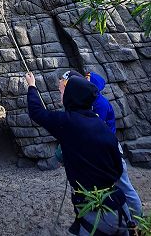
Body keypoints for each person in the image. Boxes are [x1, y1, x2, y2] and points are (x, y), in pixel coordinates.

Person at [26, 72, 132, 235]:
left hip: (95, 211)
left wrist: (32, 86)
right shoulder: (102, 126)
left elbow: (36, 112)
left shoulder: (66, 122)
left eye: (64, 92)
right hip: (118, 205)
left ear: (72, 97)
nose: (62, 94)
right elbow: (117, 169)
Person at [59, 70, 142, 217]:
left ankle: (137, 219)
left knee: (123, 185)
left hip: (107, 149)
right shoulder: (86, 103)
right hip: (97, 149)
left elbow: (95, 129)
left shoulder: (100, 104)